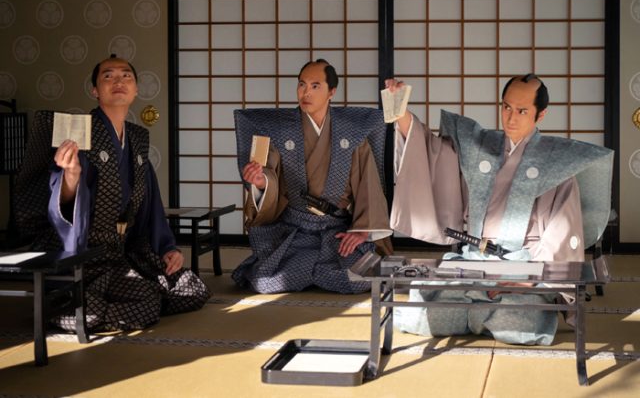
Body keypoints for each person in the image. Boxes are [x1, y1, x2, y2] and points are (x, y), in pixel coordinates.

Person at [386, 74, 613, 345]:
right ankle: (481, 313)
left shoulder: (557, 163)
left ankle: (477, 311)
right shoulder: (480, 147)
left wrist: (532, 278)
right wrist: (401, 114)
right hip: (474, 259)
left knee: (521, 318)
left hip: (524, 264)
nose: (511, 118)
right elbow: (434, 154)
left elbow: (561, 232)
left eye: (522, 111)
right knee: (424, 296)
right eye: (506, 107)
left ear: (540, 115)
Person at [15, 55, 210, 332]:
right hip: (82, 255)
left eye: (126, 76)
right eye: (108, 76)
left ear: (136, 89)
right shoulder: (80, 134)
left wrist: (167, 248)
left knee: (192, 289)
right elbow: (61, 202)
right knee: (147, 303)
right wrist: (71, 174)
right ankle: (76, 309)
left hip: (120, 253)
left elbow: (151, 203)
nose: (118, 81)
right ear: (95, 90)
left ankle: (87, 311)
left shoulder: (136, 139)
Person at [232, 59, 392, 294]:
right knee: (265, 283)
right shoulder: (280, 131)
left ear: (332, 92)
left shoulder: (352, 134)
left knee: (363, 279)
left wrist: (362, 231)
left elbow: (368, 185)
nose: (305, 92)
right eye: (302, 84)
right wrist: (261, 182)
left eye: (315, 86)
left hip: (337, 231)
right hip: (295, 232)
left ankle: (309, 273)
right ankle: (319, 272)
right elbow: (270, 174)